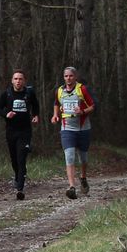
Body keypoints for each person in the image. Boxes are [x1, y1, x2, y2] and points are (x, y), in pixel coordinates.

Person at [0, 70, 40, 199]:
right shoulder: (7, 94)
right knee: (14, 159)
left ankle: (20, 189)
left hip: (25, 131)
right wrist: (6, 114)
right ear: (12, 81)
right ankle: (18, 176)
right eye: (16, 79)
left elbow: (35, 105)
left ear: (24, 81)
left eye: (20, 79)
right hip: (11, 130)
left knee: (21, 158)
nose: (18, 81)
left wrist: (35, 115)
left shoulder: (29, 93)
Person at [54, 65, 97, 199]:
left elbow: (93, 106)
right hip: (67, 129)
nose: (68, 78)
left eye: (71, 76)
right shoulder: (60, 90)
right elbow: (56, 103)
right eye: (66, 76)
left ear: (75, 77)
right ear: (63, 77)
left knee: (83, 158)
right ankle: (72, 186)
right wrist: (55, 115)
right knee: (69, 156)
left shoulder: (82, 89)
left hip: (83, 128)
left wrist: (82, 111)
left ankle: (83, 177)